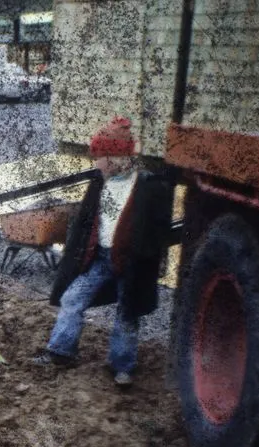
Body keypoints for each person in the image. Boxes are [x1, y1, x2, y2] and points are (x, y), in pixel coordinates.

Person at [33, 116, 172, 389]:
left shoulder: (148, 187)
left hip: (132, 263)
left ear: (116, 158)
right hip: (100, 258)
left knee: (127, 312)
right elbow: (86, 222)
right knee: (72, 297)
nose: (96, 163)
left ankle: (122, 366)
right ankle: (61, 351)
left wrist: (157, 260)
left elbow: (159, 231)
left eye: (100, 158)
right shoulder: (100, 183)